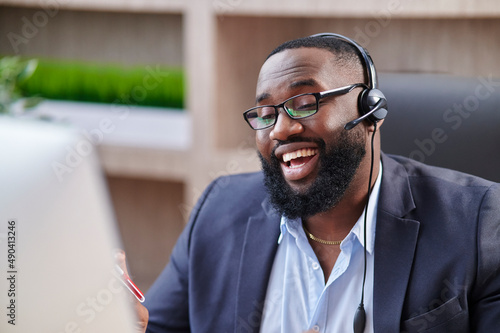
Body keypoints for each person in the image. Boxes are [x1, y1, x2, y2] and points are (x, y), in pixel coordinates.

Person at [131, 34, 500, 332]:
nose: (280, 129)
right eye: (265, 113)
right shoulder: (218, 210)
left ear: (369, 111)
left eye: (305, 103)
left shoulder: (477, 224)